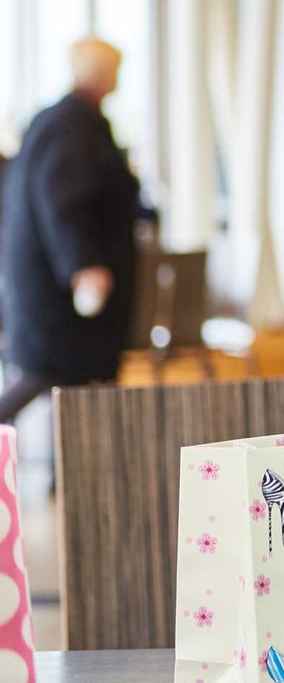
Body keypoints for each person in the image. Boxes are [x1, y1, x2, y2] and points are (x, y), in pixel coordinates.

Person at [0, 37, 140, 423]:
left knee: (65, 385)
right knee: (49, 376)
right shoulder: (71, 126)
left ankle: (65, 480)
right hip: (62, 291)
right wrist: (82, 266)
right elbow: (61, 202)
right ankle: (66, 478)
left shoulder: (74, 121)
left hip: (56, 287)